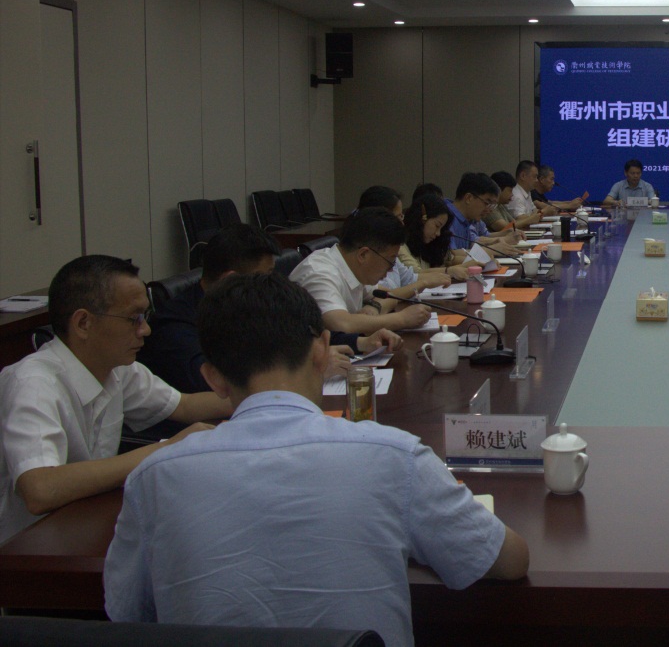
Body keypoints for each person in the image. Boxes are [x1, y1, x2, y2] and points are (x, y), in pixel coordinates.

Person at [104, 273, 529, 643]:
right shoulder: (394, 457)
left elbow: (126, 614)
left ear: (213, 378)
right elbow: (509, 561)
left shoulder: (153, 478)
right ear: (323, 351)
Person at [0, 255, 232, 544]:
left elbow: (185, 405)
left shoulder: (116, 368)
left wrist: (265, 392)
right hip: (23, 549)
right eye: (133, 319)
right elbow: (40, 489)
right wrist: (165, 449)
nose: (145, 330)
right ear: (83, 323)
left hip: (81, 524)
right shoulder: (33, 384)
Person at [141, 224, 400, 394]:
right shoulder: (174, 328)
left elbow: (297, 333)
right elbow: (220, 387)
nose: (273, 283)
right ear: (231, 280)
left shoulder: (249, 304)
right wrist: (306, 368)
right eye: (265, 276)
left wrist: (362, 342)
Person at [290, 207, 432, 334]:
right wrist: (402, 319)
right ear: (363, 255)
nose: (390, 270)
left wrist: (374, 307)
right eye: (390, 262)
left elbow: (389, 296)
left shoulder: (352, 266)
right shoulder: (319, 273)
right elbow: (341, 324)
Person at [447, 172, 522, 256]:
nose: (489, 209)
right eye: (487, 203)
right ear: (469, 198)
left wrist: (497, 240)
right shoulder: (446, 218)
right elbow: (450, 256)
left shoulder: (468, 218)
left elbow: (475, 241)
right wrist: (492, 249)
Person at [401, 193, 472, 280]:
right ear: (423, 218)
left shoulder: (430, 243)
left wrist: (475, 262)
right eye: (437, 226)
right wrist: (448, 271)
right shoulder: (400, 243)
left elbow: (450, 259)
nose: (438, 233)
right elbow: (415, 273)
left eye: (441, 229)